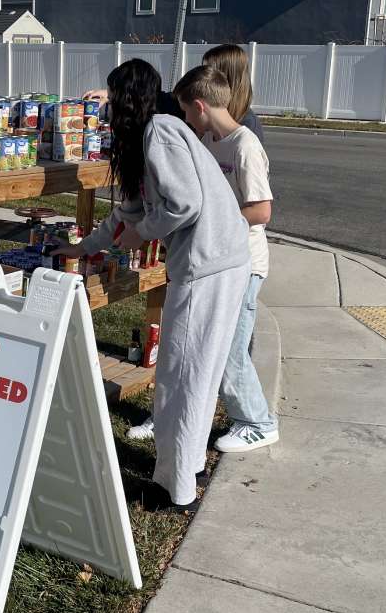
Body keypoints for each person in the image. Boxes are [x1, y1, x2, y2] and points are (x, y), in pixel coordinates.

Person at [54, 59, 249, 513]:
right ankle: (188, 467)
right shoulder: (155, 136)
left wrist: (146, 233)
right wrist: (85, 249)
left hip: (209, 267)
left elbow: (183, 205)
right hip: (221, 262)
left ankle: (173, 490)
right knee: (194, 375)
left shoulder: (159, 130)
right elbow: (129, 215)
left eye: (111, 99)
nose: (106, 111)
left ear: (127, 99)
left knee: (181, 376)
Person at [173, 65, 278, 452]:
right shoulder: (212, 142)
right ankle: (246, 415)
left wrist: (216, 220)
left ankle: (257, 422)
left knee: (231, 348)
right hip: (221, 260)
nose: (186, 120)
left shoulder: (244, 145)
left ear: (200, 106)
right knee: (219, 345)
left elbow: (261, 211)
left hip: (246, 264)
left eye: (187, 112)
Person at [83, 43, 265, 143]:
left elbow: (259, 208)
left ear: (228, 78)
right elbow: (154, 97)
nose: (204, 74)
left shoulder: (247, 129)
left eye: (209, 69)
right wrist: (111, 94)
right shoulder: (187, 106)